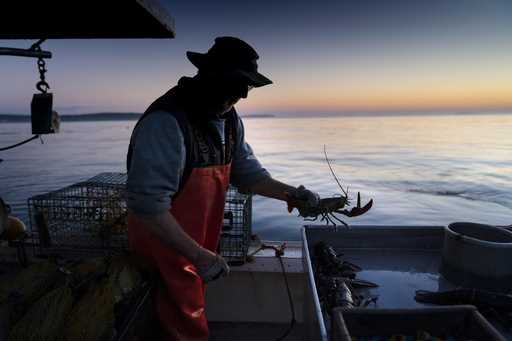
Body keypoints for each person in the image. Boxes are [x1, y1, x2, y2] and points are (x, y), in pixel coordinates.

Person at [126, 36, 319, 341]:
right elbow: (147, 207)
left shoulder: (228, 120)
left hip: (193, 254)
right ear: (209, 73)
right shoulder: (166, 123)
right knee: (169, 328)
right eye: (238, 82)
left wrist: (294, 194)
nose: (243, 94)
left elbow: (250, 176)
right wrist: (200, 256)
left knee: (188, 322)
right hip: (159, 257)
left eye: (249, 86)